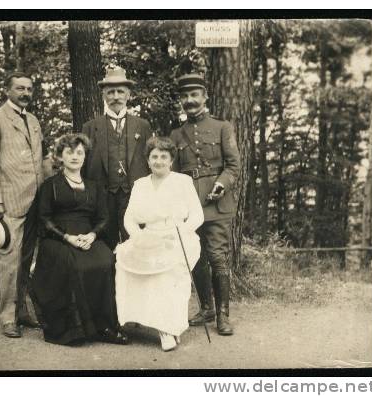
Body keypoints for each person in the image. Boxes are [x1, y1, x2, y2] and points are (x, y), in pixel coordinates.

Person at [30, 133, 128, 346]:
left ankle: (105, 326)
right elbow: (44, 219)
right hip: (57, 238)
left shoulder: (94, 186)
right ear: (60, 156)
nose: (75, 156)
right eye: (69, 152)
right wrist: (67, 238)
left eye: (79, 152)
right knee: (73, 264)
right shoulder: (50, 185)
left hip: (87, 236)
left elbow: (103, 218)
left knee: (105, 260)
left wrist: (92, 235)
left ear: (85, 157)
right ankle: (75, 329)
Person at [115, 136, 204, 351]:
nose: (159, 161)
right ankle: (136, 318)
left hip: (178, 236)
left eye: (164, 156)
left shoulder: (183, 182)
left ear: (171, 160)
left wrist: (179, 232)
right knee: (123, 260)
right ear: (147, 160)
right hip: (149, 236)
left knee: (166, 272)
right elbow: (130, 219)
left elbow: (197, 216)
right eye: (154, 156)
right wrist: (138, 237)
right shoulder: (140, 185)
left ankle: (168, 329)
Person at [170, 73, 240, 336]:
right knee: (195, 257)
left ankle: (223, 315)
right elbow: (172, 173)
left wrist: (221, 185)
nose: (190, 100)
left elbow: (234, 166)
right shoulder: (176, 134)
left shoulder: (223, 128)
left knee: (218, 258)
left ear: (204, 96)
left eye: (194, 95)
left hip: (217, 204)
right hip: (189, 206)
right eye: (185, 96)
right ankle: (206, 308)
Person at [0, 71, 43, 338]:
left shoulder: (34, 120)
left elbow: (39, 160)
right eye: (19, 88)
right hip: (10, 202)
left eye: (29, 88)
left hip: (35, 200)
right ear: (7, 91)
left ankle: (22, 311)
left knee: (28, 259)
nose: (25, 93)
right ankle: (7, 317)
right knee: (10, 261)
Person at [82, 66, 152, 250]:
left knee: (136, 245)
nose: (116, 96)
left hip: (134, 196)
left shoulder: (143, 126)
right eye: (110, 92)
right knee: (104, 247)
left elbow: (151, 162)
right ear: (104, 95)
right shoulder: (90, 127)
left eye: (120, 91)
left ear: (128, 95)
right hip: (103, 198)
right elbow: (83, 167)